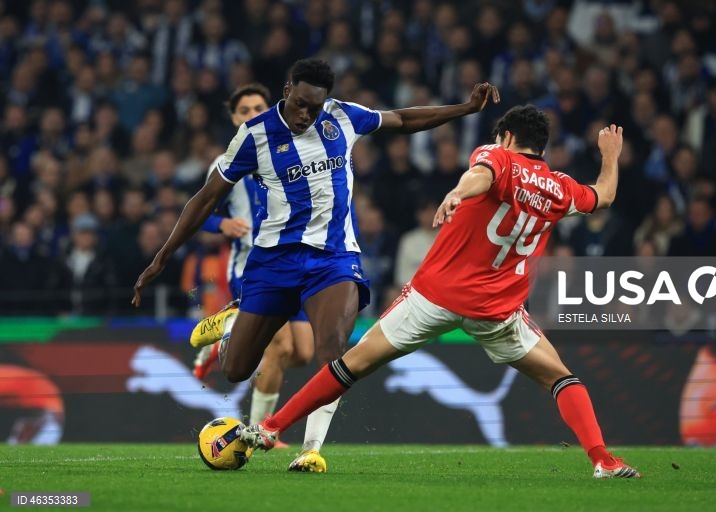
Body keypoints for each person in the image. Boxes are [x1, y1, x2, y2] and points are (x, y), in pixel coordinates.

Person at [239, 105, 641, 479]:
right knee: (560, 377)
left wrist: (457, 193)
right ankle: (603, 459)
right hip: (498, 311)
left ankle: (272, 427)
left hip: (435, 297)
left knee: (350, 365)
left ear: (505, 137)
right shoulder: (559, 188)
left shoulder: (497, 156)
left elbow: (481, 175)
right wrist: (610, 154)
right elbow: (603, 196)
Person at [132, 58, 499, 467]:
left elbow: (401, 119)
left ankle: (311, 451)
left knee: (332, 352)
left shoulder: (341, 116)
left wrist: (465, 109)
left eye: (315, 107)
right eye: (301, 104)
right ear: (287, 91)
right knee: (236, 370)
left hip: (334, 258)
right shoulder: (254, 136)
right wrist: (163, 256)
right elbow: (205, 198)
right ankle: (232, 324)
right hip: (275, 262)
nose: (307, 115)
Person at [189, 82, 322, 470]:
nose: (252, 115)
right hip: (252, 267)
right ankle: (261, 428)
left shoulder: (292, 149)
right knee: (278, 348)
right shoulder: (227, 162)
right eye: (244, 110)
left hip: (294, 263)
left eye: (258, 108)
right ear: (234, 118)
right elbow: (198, 211)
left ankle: (228, 333)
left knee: (302, 352)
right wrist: (221, 224)